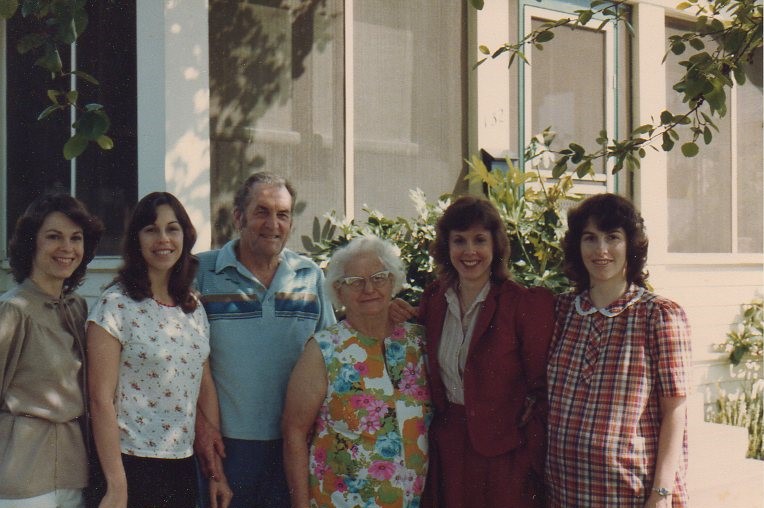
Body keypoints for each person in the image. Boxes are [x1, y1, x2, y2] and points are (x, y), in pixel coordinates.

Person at [401, 195, 554, 507]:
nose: (469, 251)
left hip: (505, 451)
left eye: (479, 240)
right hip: (449, 445)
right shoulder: (434, 299)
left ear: (495, 246)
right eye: (459, 241)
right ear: (447, 247)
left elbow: (543, 387)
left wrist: (526, 451)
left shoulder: (520, 303)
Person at [194, 172, 336, 507]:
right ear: (238, 217)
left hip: (295, 445)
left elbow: (334, 354)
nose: (273, 223)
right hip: (226, 447)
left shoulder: (310, 276)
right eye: (262, 211)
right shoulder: (200, 271)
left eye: (282, 214)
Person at [545, 193, 692, 507]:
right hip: (564, 490)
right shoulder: (562, 311)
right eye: (590, 238)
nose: (601, 250)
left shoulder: (659, 315)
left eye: (612, 238)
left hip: (631, 493)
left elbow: (675, 412)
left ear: (632, 245)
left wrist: (662, 493)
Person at [87, 192, 232, 508]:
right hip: (128, 463)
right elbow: (100, 400)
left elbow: (202, 385)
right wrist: (116, 486)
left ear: (185, 236)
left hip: (181, 463)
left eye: (172, 228)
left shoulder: (193, 308)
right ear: (136, 238)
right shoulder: (114, 306)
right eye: (151, 229)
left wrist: (215, 472)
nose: (163, 238)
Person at [282, 236, 432, 508]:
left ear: (393, 281)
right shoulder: (323, 350)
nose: (369, 289)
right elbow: (294, 432)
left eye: (379, 278)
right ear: (339, 291)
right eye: (355, 282)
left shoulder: (418, 342)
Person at [0, 193, 103, 507]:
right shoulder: (12, 310)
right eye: (54, 237)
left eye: (76, 238)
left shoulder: (78, 308)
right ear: (32, 243)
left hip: (74, 473)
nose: (67, 248)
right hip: (23, 474)